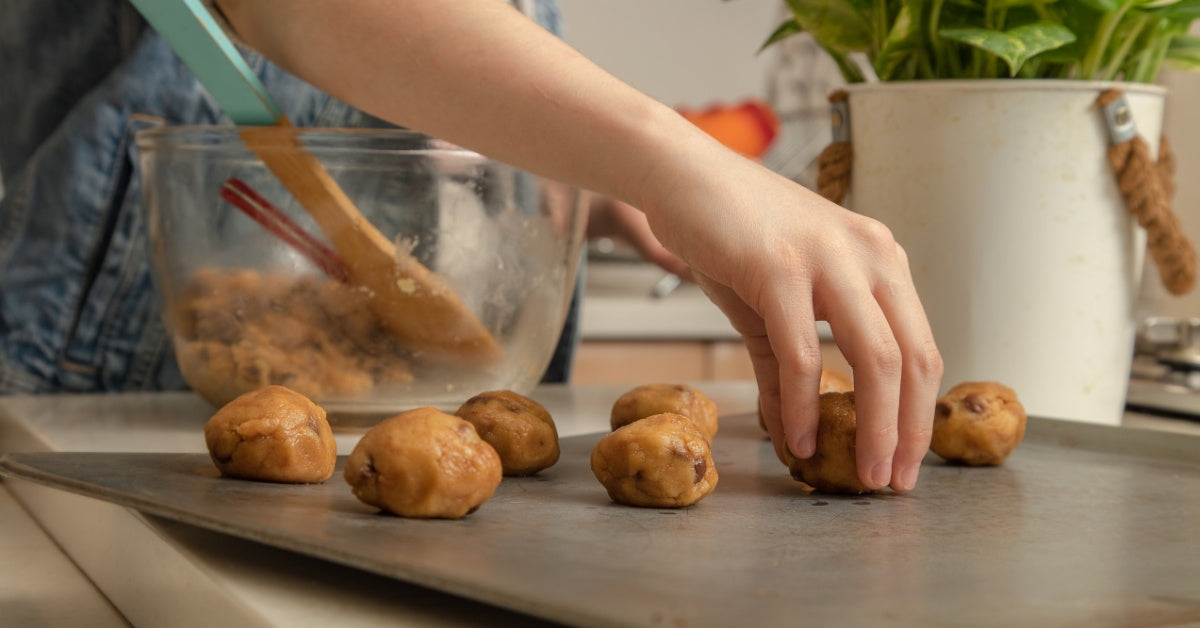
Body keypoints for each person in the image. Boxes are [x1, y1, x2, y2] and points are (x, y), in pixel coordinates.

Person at [0, 0, 942, 493]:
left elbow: (462, 104)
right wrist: (674, 160)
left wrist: (592, 195)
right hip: (119, 430)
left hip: (451, 440)